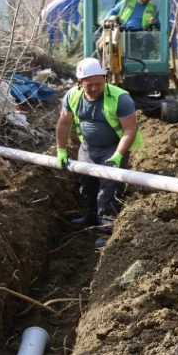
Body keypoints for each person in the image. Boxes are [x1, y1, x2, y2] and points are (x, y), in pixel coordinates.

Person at [55, 58, 143, 247]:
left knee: (109, 188)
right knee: (87, 186)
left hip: (113, 147)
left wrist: (118, 155)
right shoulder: (72, 96)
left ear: (105, 79)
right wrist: (61, 150)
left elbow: (130, 130)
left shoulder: (121, 98)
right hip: (87, 147)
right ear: (80, 82)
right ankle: (90, 217)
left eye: (99, 83)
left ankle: (107, 229)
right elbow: (64, 123)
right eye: (89, 85)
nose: (95, 88)